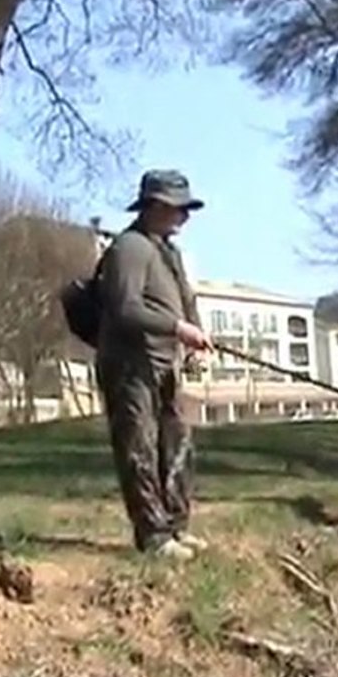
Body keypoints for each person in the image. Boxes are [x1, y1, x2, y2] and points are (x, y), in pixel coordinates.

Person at [96, 169, 214, 560]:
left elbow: (185, 302)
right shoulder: (129, 248)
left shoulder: (169, 252)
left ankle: (177, 527)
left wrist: (195, 347)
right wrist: (177, 327)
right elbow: (124, 307)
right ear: (155, 206)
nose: (185, 217)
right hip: (130, 367)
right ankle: (153, 536)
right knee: (139, 449)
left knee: (177, 444)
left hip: (167, 365)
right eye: (179, 209)